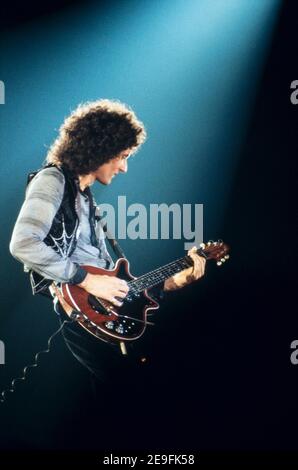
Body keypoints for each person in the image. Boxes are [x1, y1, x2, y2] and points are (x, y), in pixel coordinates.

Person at [9, 99, 206, 398]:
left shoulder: (87, 200)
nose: (125, 168)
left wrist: (178, 280)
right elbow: (23, 242)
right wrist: (87, 280)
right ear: (101, 147)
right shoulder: (52, 180)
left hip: (106, 317)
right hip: (79, 313)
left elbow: (120, 287)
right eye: (123, 156)